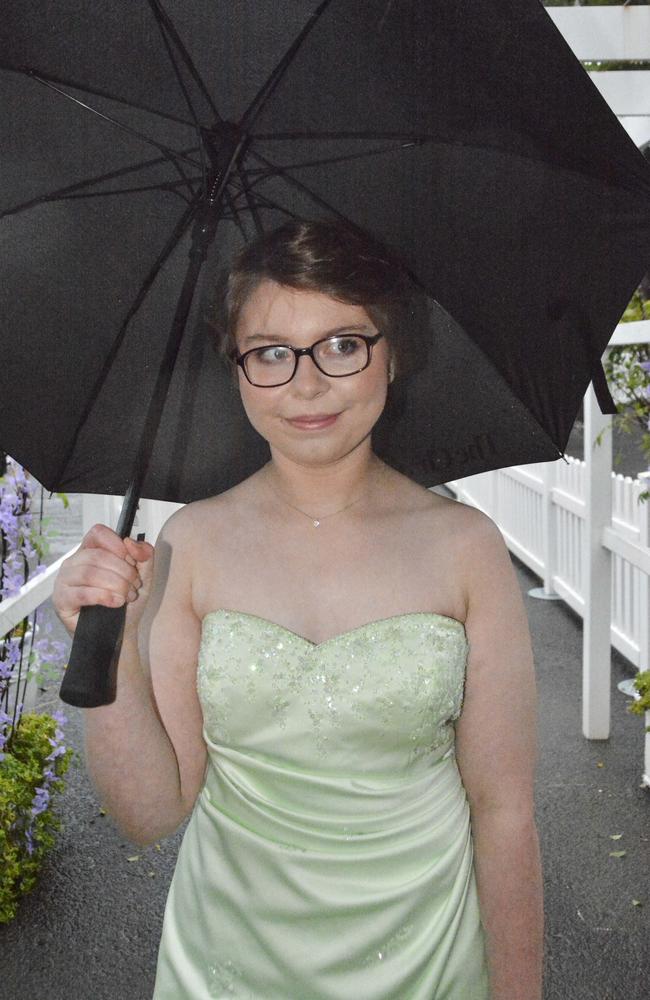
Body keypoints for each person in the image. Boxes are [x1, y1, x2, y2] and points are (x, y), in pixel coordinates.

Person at [53, 218, 544, 999]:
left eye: (343, 344)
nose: (306, 385)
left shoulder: (465, 548)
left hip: (429, 960)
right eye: (271, 353)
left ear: (394, 353)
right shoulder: (191, 542)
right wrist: (107, 646)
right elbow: (149, 813)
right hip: (228, 966)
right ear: (238, 368)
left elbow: (505, 811)